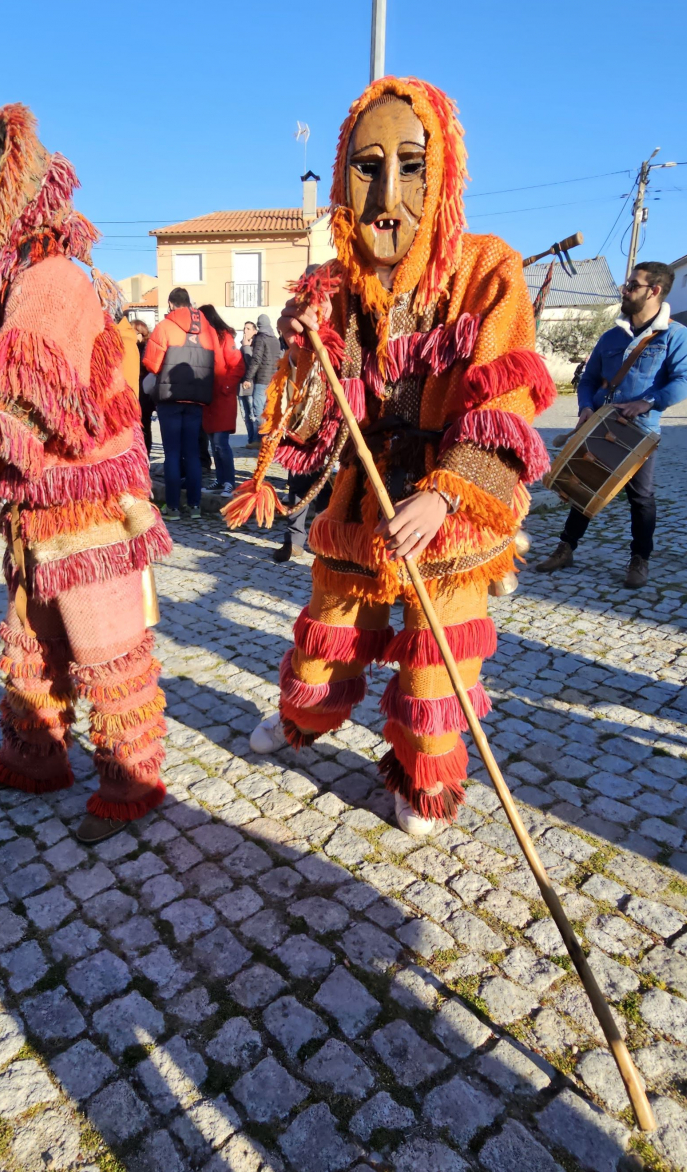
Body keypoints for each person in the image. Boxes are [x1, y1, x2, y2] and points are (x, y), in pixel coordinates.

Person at [225, 75, 555, 835]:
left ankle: (422, 777)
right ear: (342, 172)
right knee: (329, 627)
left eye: (410, 166)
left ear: (441, 171)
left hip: (450, 503)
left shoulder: (488, 270)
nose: (387, 194)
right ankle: (305, 721)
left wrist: (444, 493)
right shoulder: (330, 285)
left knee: (438, 660)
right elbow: (308, 429)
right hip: (362, 494)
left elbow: (505, 402)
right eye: (367, 168)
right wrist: (308, 348)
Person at [0, 87, 171, 844]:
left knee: (105, 646)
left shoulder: (52, 278)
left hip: (90, 513)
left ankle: (133, 778)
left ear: (7, 182)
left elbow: (10, 406)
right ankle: (35, 756)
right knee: (33, 639)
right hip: (36, 512)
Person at [535, 262, 687, 588]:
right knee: (584, 486)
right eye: (627, 284)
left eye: (633, 285)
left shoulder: (676, 336)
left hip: (640, 433)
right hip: (599, 424)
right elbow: (589, 379)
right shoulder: (612, 335)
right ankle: (565, 549)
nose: (625, 290)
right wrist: (584, 407)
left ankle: (640, 559)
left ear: (654, 291)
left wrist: (648, 402)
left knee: (641, 499)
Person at [143, 287, 226, 520]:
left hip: (169, 398)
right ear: (190, 304)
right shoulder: (207, 329)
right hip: (197, 400)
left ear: (170, 304)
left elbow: (152, 363)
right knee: (192, 453)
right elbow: (216, 364)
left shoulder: (164, 327)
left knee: (172, 453)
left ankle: (173, 508)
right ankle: (195, 506)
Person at [199, 304, 245, 495]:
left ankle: (229, 482)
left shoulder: (224, 337)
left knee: (220, 442)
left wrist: (226, 387)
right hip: (208, 399)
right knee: (213, 443)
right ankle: (220, 480)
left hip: (222, 399)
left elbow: (238, 365)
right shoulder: (203, 338)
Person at [240, 313, 278, 448]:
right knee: (269, 411)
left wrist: (248, 378)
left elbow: (256, 360)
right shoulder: (275, 339)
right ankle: (270, 438)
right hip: (273, 380)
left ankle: (261, 440)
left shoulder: (261, 339)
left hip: (261, 379)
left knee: (258, 411)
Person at [131, 320, 155, 454]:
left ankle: (146, 453)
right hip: (137, 390)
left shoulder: (145, 347)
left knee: (145, 424)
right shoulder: (129, 346)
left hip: (144, 391)